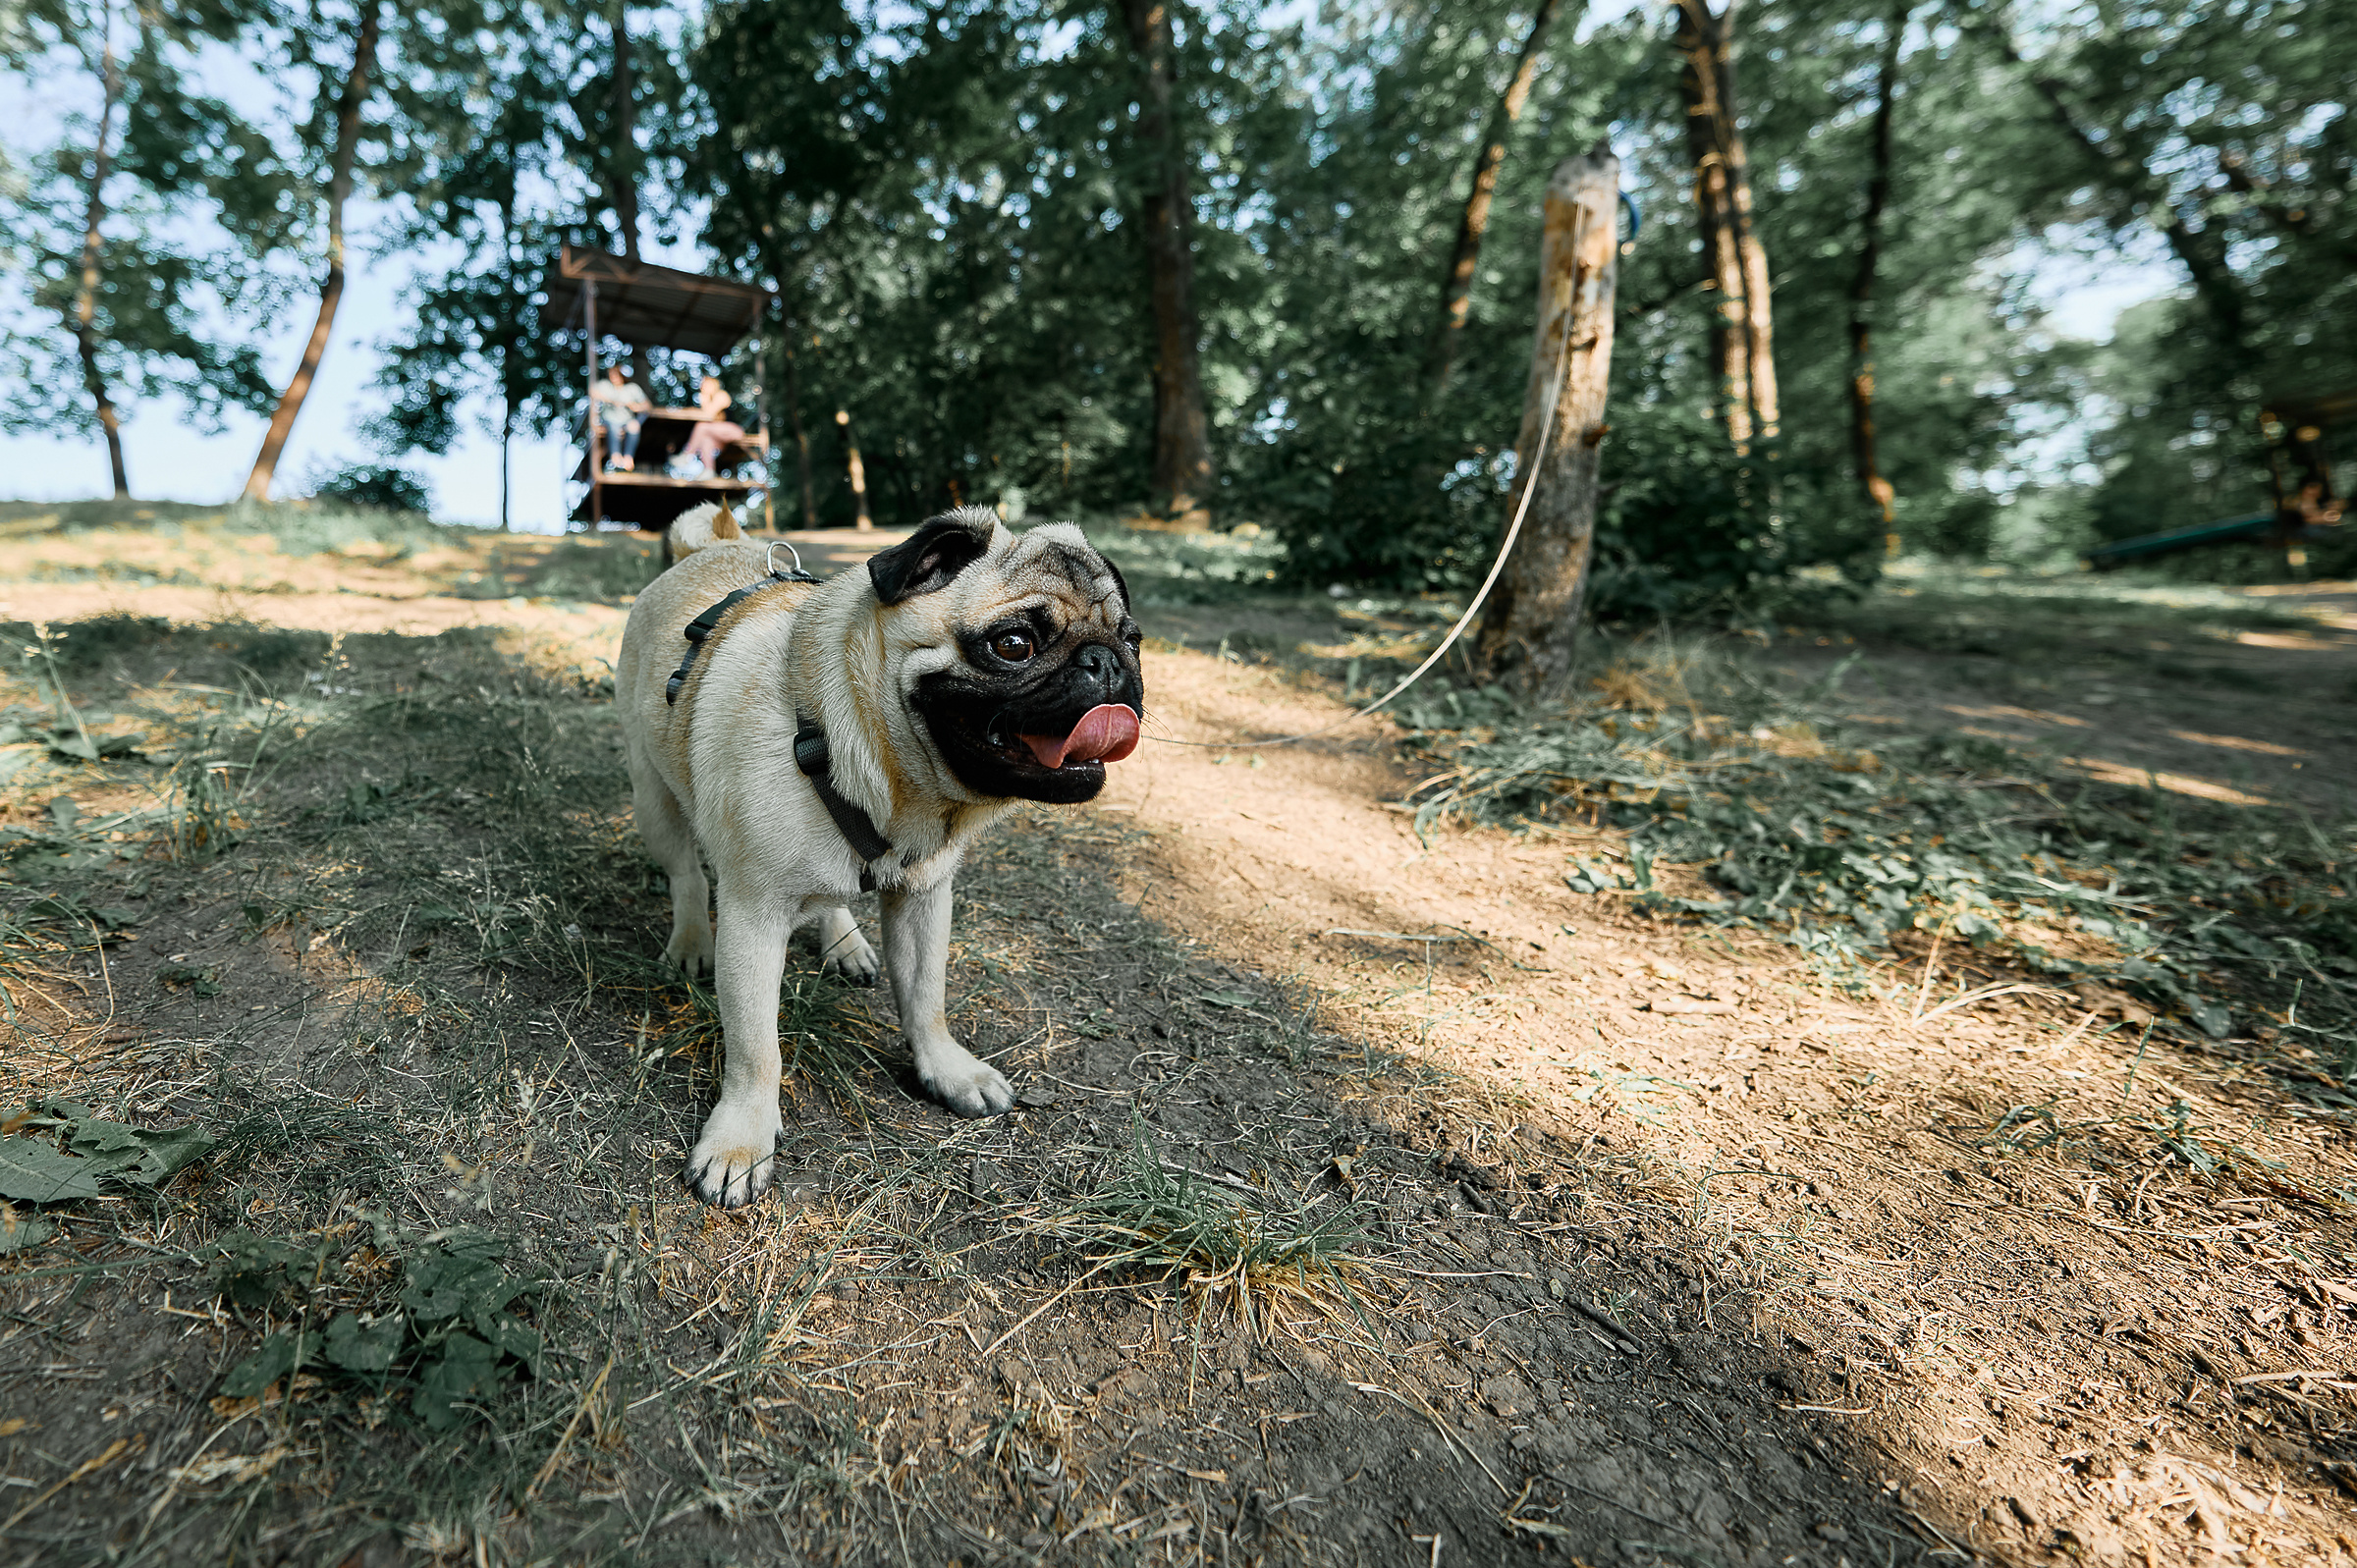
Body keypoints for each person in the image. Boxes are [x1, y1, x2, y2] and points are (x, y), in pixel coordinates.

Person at [680, 374, 746, 475]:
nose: (702, 387)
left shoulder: (721, 395)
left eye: (705, 384)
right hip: (719, 436)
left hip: (734, 431)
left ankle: (687, 455)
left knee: (701, 426)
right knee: (706, 440)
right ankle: (708, 471)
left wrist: (704, 398)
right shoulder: (709, 400)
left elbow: (708, 415)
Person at [591, 365, 650, 471]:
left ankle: (628, 458)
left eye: (616, 374)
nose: (613, 377)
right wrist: (611, 401)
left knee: (634, 426)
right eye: (611, 374)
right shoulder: (605, 385)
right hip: (609, 419)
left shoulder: (632, 388)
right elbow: (592, 392)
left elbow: (647, 406)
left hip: (626, 420)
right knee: (613, 427)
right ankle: (615, 457)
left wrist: (635, 406)